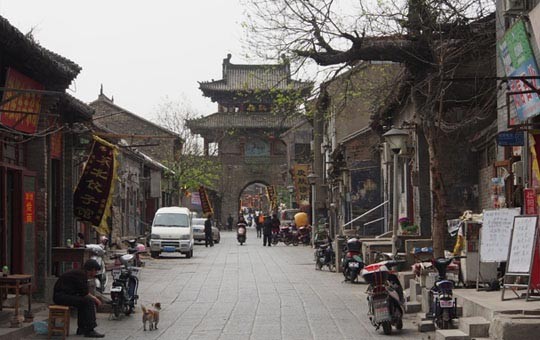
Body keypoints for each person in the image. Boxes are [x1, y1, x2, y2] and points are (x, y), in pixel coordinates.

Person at [53, 259, 104, 338]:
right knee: (88, 301)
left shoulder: (80, 273)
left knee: (83, 302)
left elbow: (82, 292)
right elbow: (85, 293)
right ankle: (90, 329)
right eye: (95, 271)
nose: (95, 273)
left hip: (62, 295)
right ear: (92, 269)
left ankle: (82, 328)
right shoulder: (80, 275)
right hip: (61, 297)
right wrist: (96, 299)